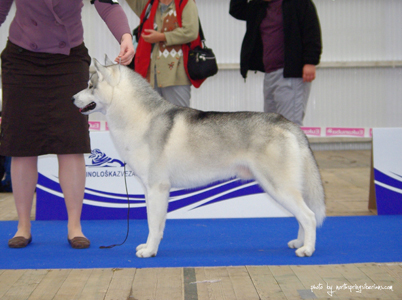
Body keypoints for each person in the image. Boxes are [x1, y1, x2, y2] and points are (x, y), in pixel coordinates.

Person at [0, 0, 135, 249]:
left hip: (68, 60)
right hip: (21, 60)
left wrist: (125, 35)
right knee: (22, 144)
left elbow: (108, 4)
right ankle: (22, 226)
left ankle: (74, 226)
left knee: (72, 143)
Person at [229, 0, 322, 126]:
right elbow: (236, 10)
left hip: (290, 74)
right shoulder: (260, 7)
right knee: (271, 128)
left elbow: (312, 31)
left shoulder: (299, 3)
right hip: (270, 75)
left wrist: (310, 62)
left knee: (289, 127)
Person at [126, 0, 203, 107]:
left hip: (177, 76)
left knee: (179, 119)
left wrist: (162, 37)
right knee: (152, 119)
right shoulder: (150, 4)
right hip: (151, 76)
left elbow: (191, 32)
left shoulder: (186, 3)